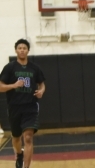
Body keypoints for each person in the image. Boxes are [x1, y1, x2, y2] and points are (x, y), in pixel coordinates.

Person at [0, 39, 46, 168]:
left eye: (24, 48)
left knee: (28, 137)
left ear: (28, 50)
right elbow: (0, 86)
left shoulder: (34, 68)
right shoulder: (9, 68)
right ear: (16, 50)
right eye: (19, 48)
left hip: (30, 106)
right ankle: (19, 154)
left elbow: (42, 83)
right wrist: (13, 85)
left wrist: (41, 91)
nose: (22, 50)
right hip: (14, 106)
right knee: (16, 137)